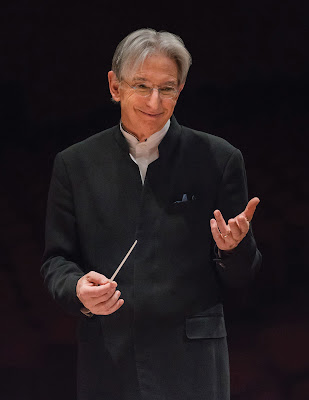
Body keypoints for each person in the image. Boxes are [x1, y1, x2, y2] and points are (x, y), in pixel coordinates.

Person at [41, 28, 261, 400]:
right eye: (141, 86)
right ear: (115, 86)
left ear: (181, 90)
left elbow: (244, 275)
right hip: (108, 359)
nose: (155, 102)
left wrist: (232, 249)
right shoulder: (74, 164)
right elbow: (57, 261)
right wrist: (77, 289)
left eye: (168, 88)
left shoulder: (219, 159)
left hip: (193, 362)